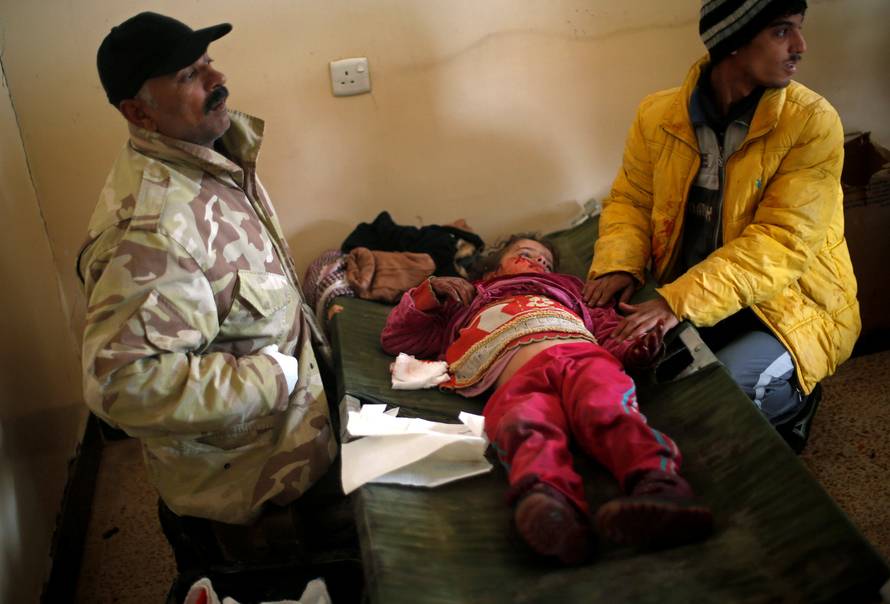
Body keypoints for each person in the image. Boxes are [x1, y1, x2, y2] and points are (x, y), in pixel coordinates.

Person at [79, 13, 354, 594]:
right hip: (255, 493)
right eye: (188, 75)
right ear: (138, 112)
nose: (217, 79)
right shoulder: (153, 231)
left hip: (292, 438)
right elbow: (124, 385)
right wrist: (274, 377)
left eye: (207, 63)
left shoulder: (210, 158)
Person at [583, 0, 859, 452]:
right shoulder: (656, 115)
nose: (800, 46)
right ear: (732, 41)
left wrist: (677, 302)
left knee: (725, 396)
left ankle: (796, 403)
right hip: (698, 294)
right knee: (618, 377)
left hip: (787, 304)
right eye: (781, 31)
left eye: (798, 29)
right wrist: (620, 264)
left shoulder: (811, 121)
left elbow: (781, 242)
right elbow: (632, 200)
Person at [381, 235, 713, 564]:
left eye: (546, 262)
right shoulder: (464, 300)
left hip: (582, 358)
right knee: (522, 425)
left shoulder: (572, 294)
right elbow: (398, 337)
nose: (539, 262)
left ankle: (659, 486)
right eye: (525, 254)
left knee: (607, 407)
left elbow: (612, 333)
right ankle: (548, 507)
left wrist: (635, 351)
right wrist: (429, 291)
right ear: (493, 270)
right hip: (516, 380)